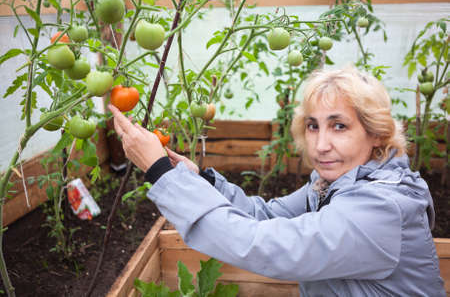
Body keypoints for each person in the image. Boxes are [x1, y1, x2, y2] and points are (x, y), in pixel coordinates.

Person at [109, 65, 445, 296]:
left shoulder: (381, 208)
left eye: (339, 126)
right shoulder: (334, 183)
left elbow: (258, 243)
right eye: (313, 125)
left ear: (376, 134)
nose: (321, 144)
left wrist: (159, 173)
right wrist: (200, 181)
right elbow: (264, 216)